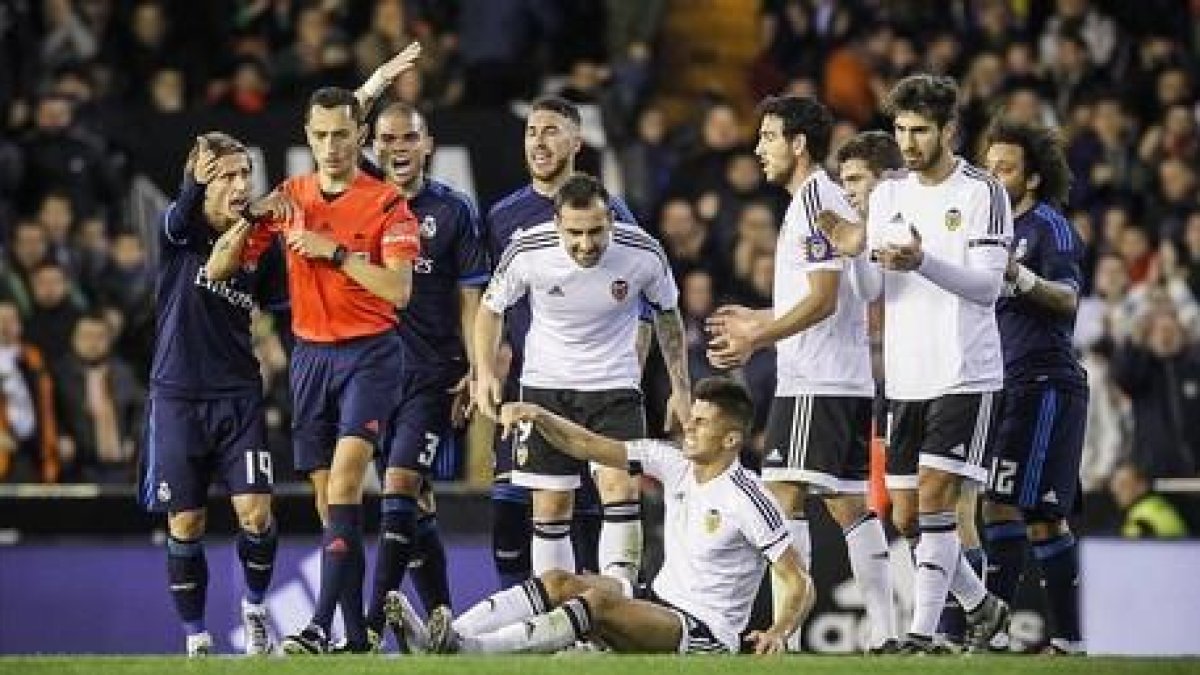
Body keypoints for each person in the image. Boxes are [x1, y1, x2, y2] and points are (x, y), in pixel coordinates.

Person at [213, 87, 421, 654]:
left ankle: (315, 625)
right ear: (307, 137)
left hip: (371, 355)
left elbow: (398, 290)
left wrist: (334, 252)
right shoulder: (290, 197)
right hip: (309, 358)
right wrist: (242, 217)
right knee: (333, 508)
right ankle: (356, 641)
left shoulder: (386, 205)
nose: (331, 146)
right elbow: (228, 265)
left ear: (359, 134)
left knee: (351, 481)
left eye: (341, 134)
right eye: (320, 135)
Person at [396, 377, 814, 655]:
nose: (689, 426)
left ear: (731, 439)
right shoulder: (674, 463)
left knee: (595, 601)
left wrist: (778, 633)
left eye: (701, 423)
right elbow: (589, 445)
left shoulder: (749, 497)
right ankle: (446, 637)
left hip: (703, 632)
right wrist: (540, 416)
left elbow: (799, 580)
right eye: (692, 417)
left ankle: (468, 651)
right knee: (560, 580)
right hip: (656, 600)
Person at [820, 74, 1011, 653]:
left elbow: (986, 288)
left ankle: (922, 636)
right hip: (905, 376)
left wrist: (924, 259)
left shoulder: (982, 192)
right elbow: (876, 283)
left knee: (934, 500)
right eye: (900, 130)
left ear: (948, 130)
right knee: (905, 517)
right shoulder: (888, 195)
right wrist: (854, 255)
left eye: (920, 130)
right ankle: (982, 604)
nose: (908, 142)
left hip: (965, 370)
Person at [705, 97, 897, 653]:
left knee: (780, 501)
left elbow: (822, 300)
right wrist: (758, 316)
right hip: (841, 379)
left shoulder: (815, 200)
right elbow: (819, 302)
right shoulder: (810, 201)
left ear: (798, 144)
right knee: (850, 507)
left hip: (816, 382)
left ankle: (781, 639)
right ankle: (885, 636)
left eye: (768, 136)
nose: (758, 148)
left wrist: (755, 339)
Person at [474, 173, 690, 585]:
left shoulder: (643, 252)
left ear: (611, 219)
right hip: (545, 389)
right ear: (557, 223)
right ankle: (557, 619)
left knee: (620, 492)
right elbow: (490, 308)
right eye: (574, 233)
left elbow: (668, 315)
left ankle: (618, 607)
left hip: (616, 387)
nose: (586, 244)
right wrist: (484, 371)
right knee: (552, 507)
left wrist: (681, 389)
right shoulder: (526, 250)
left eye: (596, 231)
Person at [483, 95, 653, 589]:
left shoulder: (615, 216)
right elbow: (487, 299)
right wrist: (481, 370)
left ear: (577, 143)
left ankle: (601, 619)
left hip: (602, 382)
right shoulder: (503, 216)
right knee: (514, 512)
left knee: (596, 508)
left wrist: (630, 373)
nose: (539, 140)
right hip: (527, 383)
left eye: (552, 131)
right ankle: (531, 629)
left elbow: (644, 302)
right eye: (533, 131)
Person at [139, 133, 278, 656]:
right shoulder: (179, 233)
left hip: (238, 395)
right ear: (203, 182)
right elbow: (177, 213)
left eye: (246, 174)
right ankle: (197, 637)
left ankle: (256, 609)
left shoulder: (263, 244)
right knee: (187, 521)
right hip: (177, 397)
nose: (241, 184)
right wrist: (191, 183)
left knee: (256, 513)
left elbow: (282, 310)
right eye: (228, 175)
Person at [362, 100, 489, 649]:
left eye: (407, 139)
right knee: (416, 502)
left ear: (427, 144)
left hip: (432, 375)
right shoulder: (363, 205)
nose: (397, 149)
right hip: (369, 371)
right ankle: (440, 615)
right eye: (386, 140)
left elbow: (470, 300)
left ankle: (368, 626)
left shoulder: (454, 210)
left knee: (399, 485)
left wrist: (477, 368)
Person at [981, 118, 1089, 655]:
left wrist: (1018, 277)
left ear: (1033, 179)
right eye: (990, 167)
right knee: (997, 504)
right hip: (1000, 385)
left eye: (1006, 168)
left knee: (1042, 514)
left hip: (1047, 381)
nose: (995, 177)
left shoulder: (1051, 228)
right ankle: (994, 633)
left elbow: (1069, 299)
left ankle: (1069, 642)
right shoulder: (982, 228)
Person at [1109, 460, 1191, 538]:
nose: (1116, 491)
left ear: (1142, 486)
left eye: (1123, 485)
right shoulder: (1159, 505)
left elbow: (1131, 550)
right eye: (1115, 485)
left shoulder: (1140, 522)